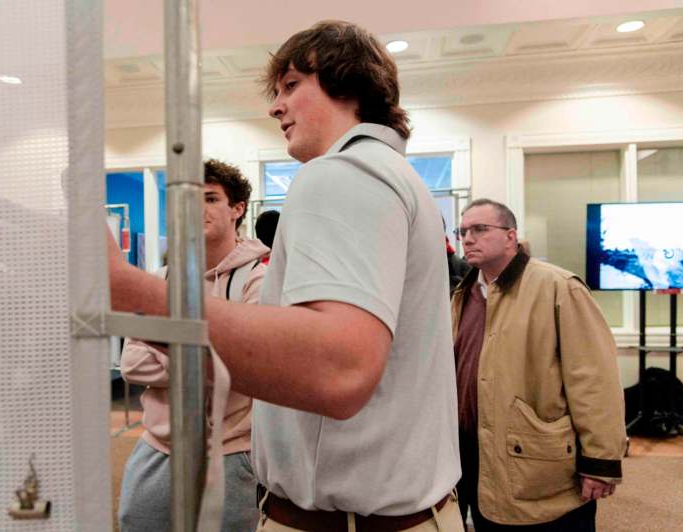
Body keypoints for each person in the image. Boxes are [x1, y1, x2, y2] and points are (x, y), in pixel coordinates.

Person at [107, 20, 462, 531]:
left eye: (292, 86)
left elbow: (336, 369)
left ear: (349, 84)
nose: (275, 107)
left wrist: (124, 288)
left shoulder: (342, 171)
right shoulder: (391, 175)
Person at [451, 198, 626, 531]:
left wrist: (601, 461)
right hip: (474, 452)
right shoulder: (463, 294)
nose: (468, 238)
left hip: (538, 459)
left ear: (510, 236)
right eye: (462, 231)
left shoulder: (558, 287)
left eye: (480, 229)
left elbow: (594, 378)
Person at [117, 159, 268, 532]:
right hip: (160, 447)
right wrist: (210, 354)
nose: (198, 209)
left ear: (237, 209)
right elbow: (133, 363)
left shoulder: (258, 279)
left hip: (233, 453)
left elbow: (248, 366)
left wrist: (170, 346)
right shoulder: (162, 279)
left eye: (212, 198)